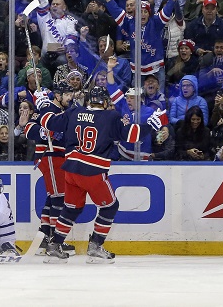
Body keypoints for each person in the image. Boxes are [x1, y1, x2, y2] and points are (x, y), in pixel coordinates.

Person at [34, 86, 167, 263]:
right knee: (110, 206)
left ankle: (54, 245)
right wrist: (149, 125)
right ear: (105, 102)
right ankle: (95, 246)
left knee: (72, 208)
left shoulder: (74, 112)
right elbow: (131, 135)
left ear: (89, 100)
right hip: (93, 171)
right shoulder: (111, 116)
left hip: (71, 171)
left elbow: (48, 122)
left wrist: (43, 103)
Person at [23, 81, 76, 255]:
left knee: (52, 197)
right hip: (50, 155)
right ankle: (55, 240)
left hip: (59, 156)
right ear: (58, 96)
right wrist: (45, 131)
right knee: (59, 197)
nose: (71, 97)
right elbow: (30, 128)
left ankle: (45, 235)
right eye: (67, 94)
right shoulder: (48, 109)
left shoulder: (61, 110)